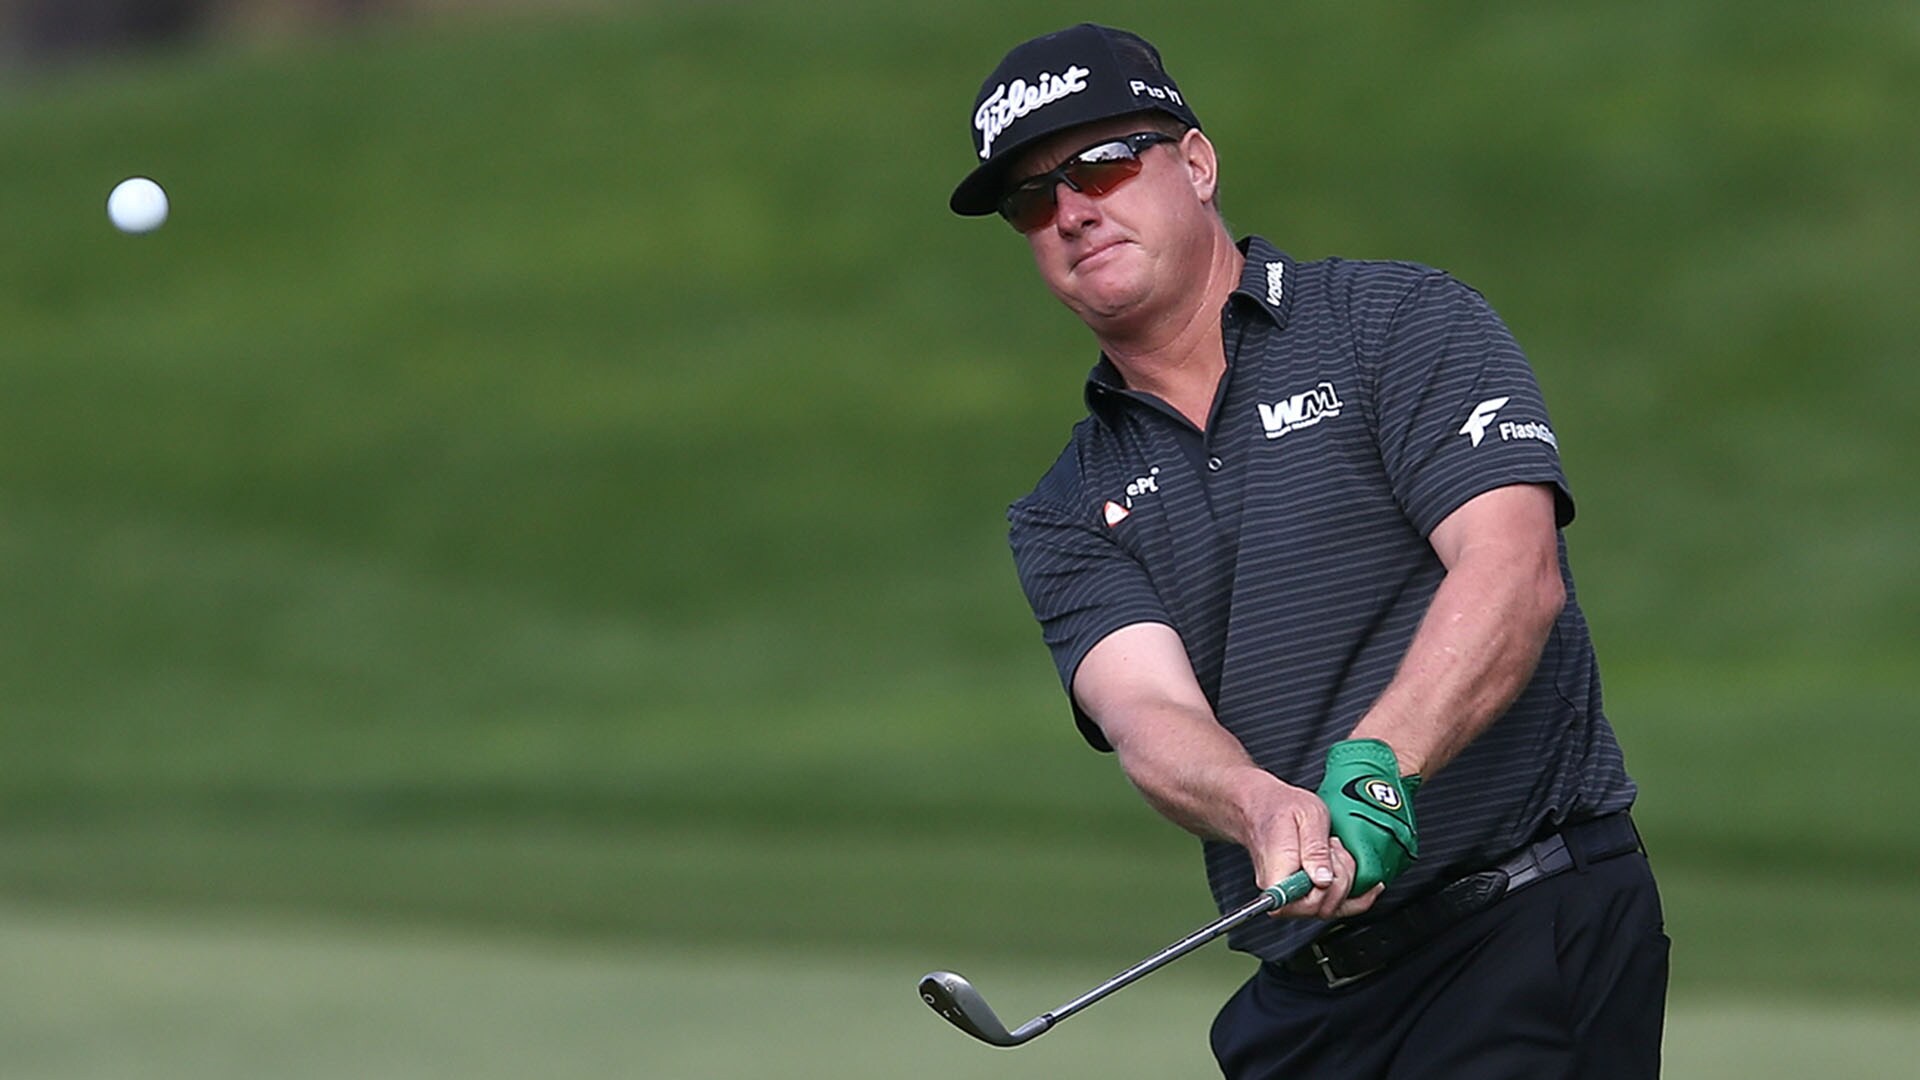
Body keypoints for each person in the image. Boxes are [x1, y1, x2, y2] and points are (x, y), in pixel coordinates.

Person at [948, 23, 1669, 1079]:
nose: (1070, 210)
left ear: (1197, 164)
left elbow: (1513, 574)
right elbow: (1147, 713)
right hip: (1308, 1004)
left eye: (1100, 164)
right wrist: (1257, 803)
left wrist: (1379, 768)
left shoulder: (1396, 325)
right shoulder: (1064, 507)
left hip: (1520, 929)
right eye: (1029, 198)